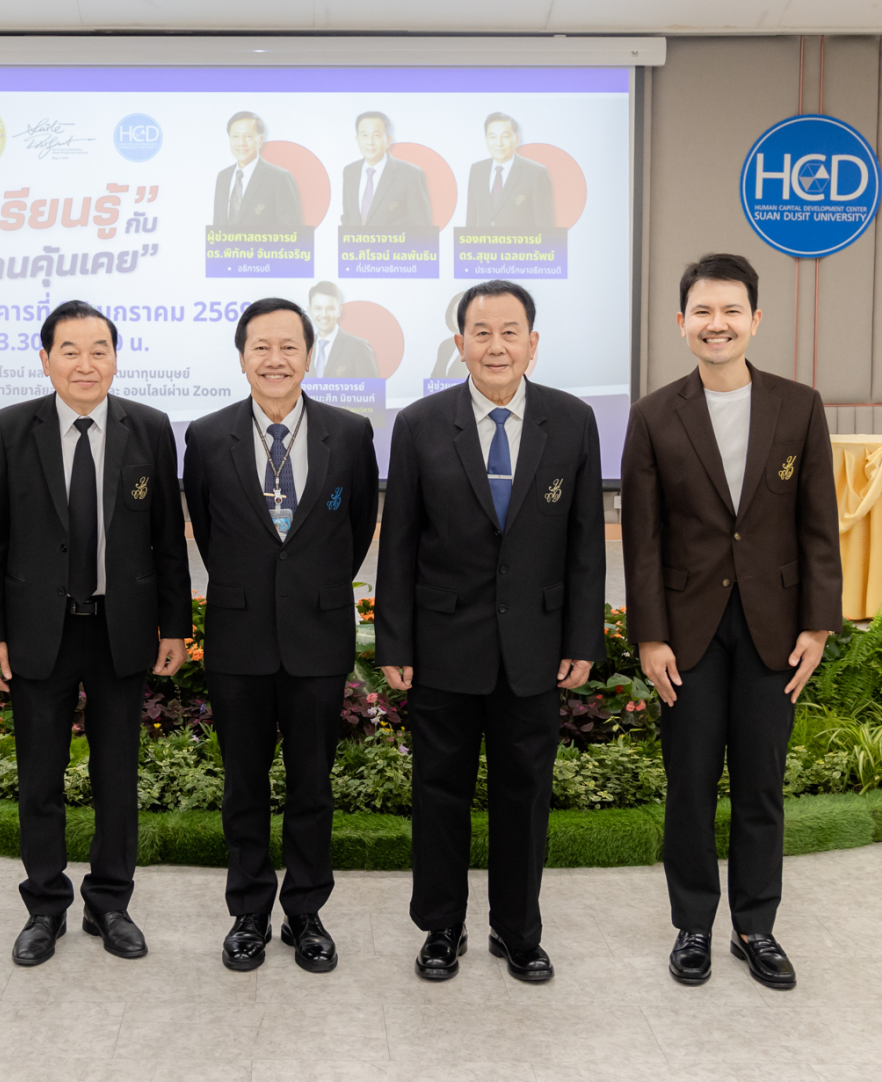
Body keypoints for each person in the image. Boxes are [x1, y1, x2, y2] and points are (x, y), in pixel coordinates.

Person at [620, 253, 841, 992]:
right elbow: (643, 538)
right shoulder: (654, 414)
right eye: (703, 312)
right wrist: (650, 636)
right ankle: (692, 925)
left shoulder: (799, 406)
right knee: (688, 784)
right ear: (681, 323)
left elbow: (819, 525)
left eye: (731, 311)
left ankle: (755, 926)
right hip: (687, 633)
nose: (717, 325)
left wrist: (818, 624)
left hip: (775, 630)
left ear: (755, 319)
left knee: (760, 785)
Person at [376, 280, 606, 984]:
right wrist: (394, 643)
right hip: (444, 647)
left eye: (510, 332)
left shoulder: (573, 421)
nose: (496, 346)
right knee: (438, 793)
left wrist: (582, 639)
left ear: (533, 343)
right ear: (460, 344)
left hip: (534, 648)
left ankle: (517, 930)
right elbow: (399, 544)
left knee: (524, 796)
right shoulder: (420, 424)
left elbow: (585, 543)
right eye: (482, 332)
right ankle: (441, 927)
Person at [0, 300, 191, 967]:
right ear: (46, 360)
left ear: (116, 359)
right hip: (39, 631)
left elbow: (167, 540)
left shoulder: (149, 427)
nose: (86, 363)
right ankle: (45, 907)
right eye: (70, 350)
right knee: (40, 778)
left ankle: (110, 902)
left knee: (116, 776)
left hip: (121, 630)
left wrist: (175, 626)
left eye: (100, 350)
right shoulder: (10, 428)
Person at [183, 298, 380, 974]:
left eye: (289, 346)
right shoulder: (207, 436)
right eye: (260, 347)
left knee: (312, 785)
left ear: (309, 355)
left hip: (317, 638)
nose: (275, 359)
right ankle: (248, 912)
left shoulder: (349, 434)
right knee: (243, 785)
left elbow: (356, 527)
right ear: (242, 356)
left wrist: (311, 587)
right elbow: (210, 530)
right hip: (238, 639)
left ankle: (306, 912)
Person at [340, 111, 434, 230]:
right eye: (364, 135)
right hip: (355, 242)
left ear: (388, 140)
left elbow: (421, 229)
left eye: (376, 135)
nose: (370, 142)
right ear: (357, 139)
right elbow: (348, 219)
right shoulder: (350, 172)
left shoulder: (411, 174)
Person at [464, 113, 556, 230]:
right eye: (493, 137)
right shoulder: (477, 170)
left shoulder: (536, 173)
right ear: (486, 139)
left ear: (517, 139)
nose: (499, 143)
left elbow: (546, 228)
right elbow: (471, 222)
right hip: (483, 242)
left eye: (505, 136)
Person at [213, 111, 303, 229]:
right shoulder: (223, 177)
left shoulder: (280, 178)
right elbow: (217, 229)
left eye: (248, 136)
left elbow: (292, 232)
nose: (241, 143)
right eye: (235, 136)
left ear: (260, 140)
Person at [304, 281, 380, 380]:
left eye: (330, 308)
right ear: (310, 310)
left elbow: (371, 388)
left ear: (339, 311)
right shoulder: (304, 346)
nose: (324, 314)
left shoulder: (359, 347)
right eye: (318, 308)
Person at [430, 290, 467, 379]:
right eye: (455, 313)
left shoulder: (482, 345)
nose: (458, 317)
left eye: (462, 313)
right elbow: (434, 379)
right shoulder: (445, 345)